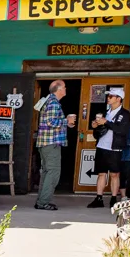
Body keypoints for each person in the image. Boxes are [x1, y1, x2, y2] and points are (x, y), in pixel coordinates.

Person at [34, 79, 76, 211]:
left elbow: (50, 121)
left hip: (46, 143)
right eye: (64, 87)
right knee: (53, 172)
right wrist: (66, 121)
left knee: (47, 172)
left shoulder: (49, 101)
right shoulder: (53, 103)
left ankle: (41, 201)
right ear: (58, 89)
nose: (65, 89)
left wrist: (66, 123)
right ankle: (43, 202)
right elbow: (51, 122)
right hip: (51, 143)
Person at [88, 87, 130, 208]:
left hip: (115, 148)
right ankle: (99, 198)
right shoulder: (105, 112)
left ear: (119, 99)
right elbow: (98, 132)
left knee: (114, 174)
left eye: (111, 96)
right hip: (102, 146)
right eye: (108, 96)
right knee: (101, 173)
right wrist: (95, 126)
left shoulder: (125, 114)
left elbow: (122, 131)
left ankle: (113, 198)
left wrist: (106, 123)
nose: (108, 98)